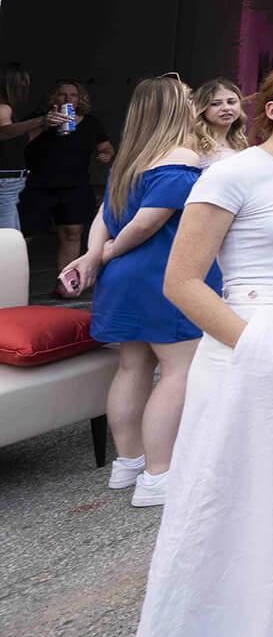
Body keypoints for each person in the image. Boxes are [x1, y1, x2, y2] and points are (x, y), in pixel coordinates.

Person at [128, 64, 273, 637]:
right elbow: (183, 281)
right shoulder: (231, 173)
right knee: (235, 488)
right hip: (256, 336)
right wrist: (254, 346)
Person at [56, 75, 207, 508]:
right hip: (162, 273)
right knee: (177, 372)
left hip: (122, 277)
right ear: (174, 108)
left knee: (132, 366)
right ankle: (159, 476)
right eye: (187, 99)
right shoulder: (180, 158)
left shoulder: (131, 159)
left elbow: (105, 215)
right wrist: (100, 256)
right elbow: (146, 223)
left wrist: (93, 256)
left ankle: (128, 464)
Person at [23, 80, 114, 272]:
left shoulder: (90, 122)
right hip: (39, 184)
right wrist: (45, 123)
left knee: (72, 233)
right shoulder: (38, 119)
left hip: (75, 185)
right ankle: (10, 280)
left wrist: (105, 154)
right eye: (62, 94)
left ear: (80, 99)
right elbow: (20, 143)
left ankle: (65, 281)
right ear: (52, 98)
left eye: (73, 95)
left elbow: (105, 146)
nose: (68, 99)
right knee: (25, 234)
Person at [0, 65, 38, 229]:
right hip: (5, 179)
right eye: (22, 84)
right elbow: (5, 133)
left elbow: (16, 142)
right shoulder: (3, 108)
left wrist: (46, 126)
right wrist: (41, 121)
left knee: (12, 234)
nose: (25, 89)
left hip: (11, 181)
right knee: (8, 235)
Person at [190, 78, 249, 166]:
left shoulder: (240, 142)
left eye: (231, 102)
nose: (226, 108)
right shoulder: (192, 142)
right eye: (216, 104)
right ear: (203, 108)